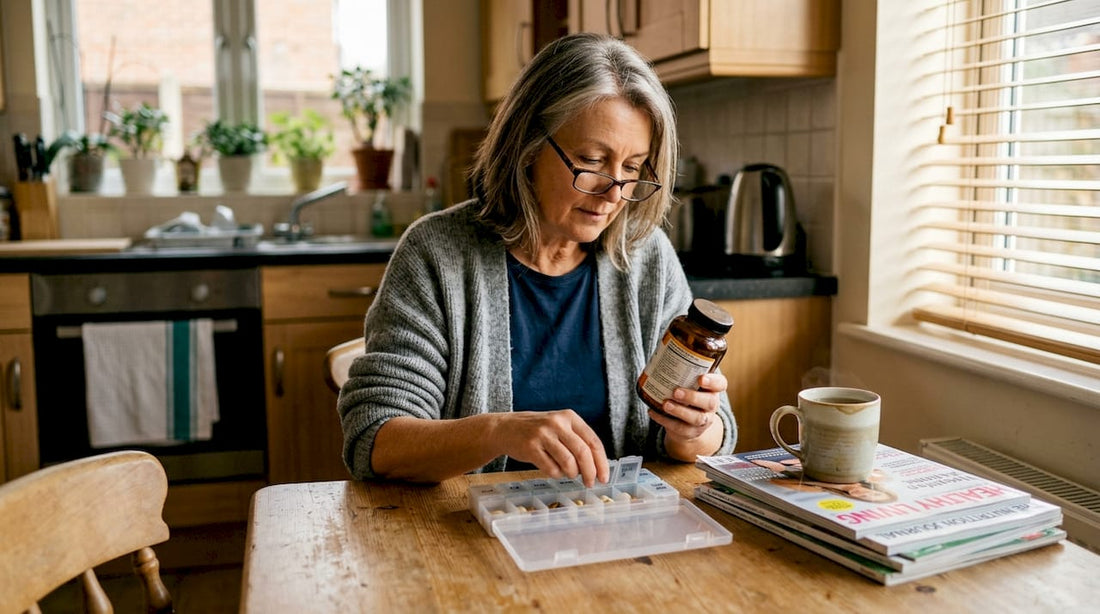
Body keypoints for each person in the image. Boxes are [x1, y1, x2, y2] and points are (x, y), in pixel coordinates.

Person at [338, 32, 737, 486]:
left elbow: (715, 433)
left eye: (631, 169)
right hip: (468, 536)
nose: (614, 194)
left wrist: (695, 429)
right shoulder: (437, 254)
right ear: (527, 147)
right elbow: (374, 440)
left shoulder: (645, 259)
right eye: (591, 161)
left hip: (617, 529)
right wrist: (498, 431)